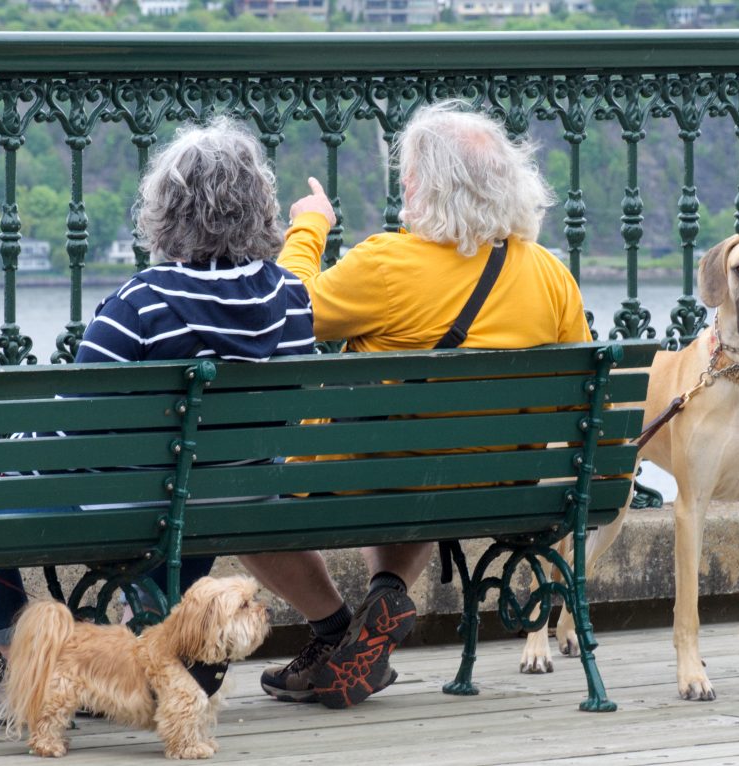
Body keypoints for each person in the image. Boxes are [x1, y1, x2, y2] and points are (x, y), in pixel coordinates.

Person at [0, 116, 315, 725]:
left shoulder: (138, 305)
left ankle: (27, 677)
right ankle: (118, 663)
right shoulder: (292, 301)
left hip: (134, 510)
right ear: (260, 207)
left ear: (166, 208)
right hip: (229, 502)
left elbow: (78, 434)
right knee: (184, 485)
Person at [238, 99, 592, 709]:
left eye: (409, 173)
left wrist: (310, 225)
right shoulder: (551, 275)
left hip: (371, 480)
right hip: (495, 488)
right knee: (434, 452)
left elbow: (281, 315)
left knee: (239, 497)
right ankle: (384, 595)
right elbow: (583, 395)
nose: (403, 182)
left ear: (427, 186)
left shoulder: (386, 263)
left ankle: (333, 632)